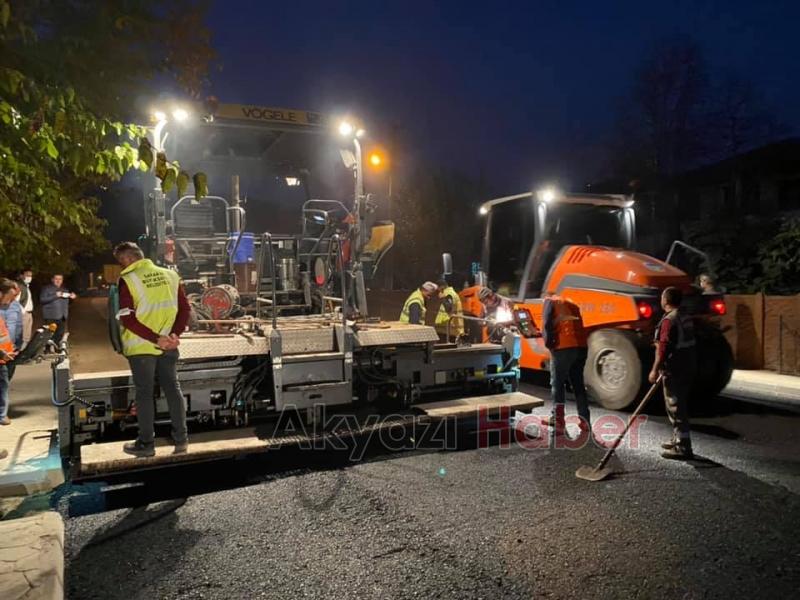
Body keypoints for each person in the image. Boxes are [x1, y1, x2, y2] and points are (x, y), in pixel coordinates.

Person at [114, 241, 191, 457]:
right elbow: (185, 308)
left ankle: (146, 444)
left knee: (145, 394)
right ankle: (181, 440)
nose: (121, 266)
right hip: (169, 344)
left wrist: (157, 339)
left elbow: (128, 319)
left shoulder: (128, 279)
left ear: (128, 259)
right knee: (173, 390)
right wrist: (174, 335)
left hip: (142, 348)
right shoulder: (170, 275)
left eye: (121, 262)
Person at [649, 286, 697, 460]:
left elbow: (663, 348)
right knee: (679, 403)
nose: (660, 300)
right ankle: (678, 438)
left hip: (675, 368)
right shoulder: (684, 316)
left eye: (662, 297)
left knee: (675, 406)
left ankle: (683, 447)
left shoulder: (670, 320)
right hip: (688, 365)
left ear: (666, 301)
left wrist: (655, 369)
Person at [542, 292, 591, 440]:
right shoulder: (572, 304)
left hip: (563, 347)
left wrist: (549, 344)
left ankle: (558, 420)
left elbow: (546, 324)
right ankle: (585, 422)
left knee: (557, 384)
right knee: (578, 385)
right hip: (581, 347)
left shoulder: (549, 302)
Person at [0, 279, 19, 426]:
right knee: (3, 386)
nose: (10, 300)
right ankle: (1, 415)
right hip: (2, 358)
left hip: (6, 356)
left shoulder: (13, 306)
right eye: (8, 296)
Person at [40, 274, 75, 348]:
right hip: (51, 316)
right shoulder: (47, 289)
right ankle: (47, 350)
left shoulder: (65, 290)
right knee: (49, 334)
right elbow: (42, 300)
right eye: (56, 279)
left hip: (62, 316)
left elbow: (67, 302)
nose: (58, 281)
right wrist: (55, 295)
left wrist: (72, 297)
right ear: (52, 279)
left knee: (60, 334)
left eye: (60, 279)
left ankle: (57, 349)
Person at [0, 282, 24, 381]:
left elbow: (18, 327)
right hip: (2, 353)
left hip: (11, 351)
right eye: (9, 296)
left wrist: (17, 347)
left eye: (13, 296)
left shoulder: (15, 305)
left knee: (6, 381)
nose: (10, 300)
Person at [16, 268, 34, 349]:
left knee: (26, 336)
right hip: (23, 314)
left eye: (30, 275)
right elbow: (15, 301)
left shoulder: (26, 286)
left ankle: (23, 352)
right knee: (21, 335)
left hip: (29, 313)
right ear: (21, 276)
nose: (29, 277)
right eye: (27, 275)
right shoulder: (19, 286)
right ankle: (18, 352)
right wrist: (22, 312)